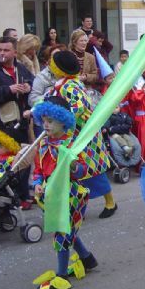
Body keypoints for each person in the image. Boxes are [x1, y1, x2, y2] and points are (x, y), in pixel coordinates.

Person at [31, 96, 98, 289]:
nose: (46, 125)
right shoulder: (42, 145)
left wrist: (72, 164)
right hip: (51, 196)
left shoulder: (73, 144)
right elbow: (39, 171)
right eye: (43, 120)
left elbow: (85, 169)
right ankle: (87, 258)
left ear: (63, 121)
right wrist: (37, 186)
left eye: (50, 121)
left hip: (72, 195)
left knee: (62, 233)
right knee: (67, 231)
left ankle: (61, 275)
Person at [46, 50, 117, 218]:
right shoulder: (61, 85)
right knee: (75, 173)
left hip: (83, 135)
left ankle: (110, 202)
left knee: (91, 170)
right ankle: (77, 207)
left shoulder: (70, 86)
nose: (49, 64)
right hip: (71, 135)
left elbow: (80, 105)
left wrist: (62, 116)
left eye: (53, 62)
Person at [0, 36, 34, 208]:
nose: (1, 53)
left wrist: (28, 87)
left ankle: (23, 195)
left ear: (14, 52)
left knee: (23, 160)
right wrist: (8, 89)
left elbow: (33, 82)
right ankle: (10, 198)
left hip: (21, 122)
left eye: (6, 50)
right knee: (7, 162)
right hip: (1, 125)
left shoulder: (20, 68)